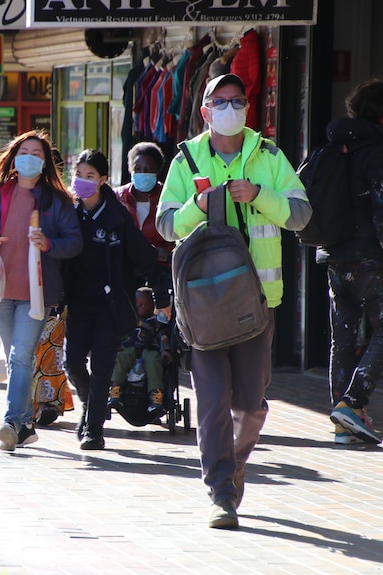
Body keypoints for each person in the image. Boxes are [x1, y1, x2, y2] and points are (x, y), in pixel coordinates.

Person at [155, 73, 310, 529]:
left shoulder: (269, 156)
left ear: (248, 107)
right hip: (202, 304)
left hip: (258, 301)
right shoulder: (186, 159)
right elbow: (166, 226)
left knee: (250, 402)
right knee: (211, 400)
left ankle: (236, 461)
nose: (229, 107)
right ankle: (221, 491)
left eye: (237, 100)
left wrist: (261, 196)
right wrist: (197, 208)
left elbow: (301, 214)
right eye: (219, 101)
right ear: (204, 111)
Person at [0, 130, 83, 452]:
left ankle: (12, 421)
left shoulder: (57, 201)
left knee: (19, 358)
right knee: (18, 361)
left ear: (45, 164)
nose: (29, 157)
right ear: (14, 157)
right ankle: (26, 427)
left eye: (36, 153)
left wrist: (49, 244)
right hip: (1, 291)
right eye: (24, 151)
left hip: (37, 293)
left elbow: (74, 242)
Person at [63, 149, 159, 451]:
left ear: (103, 180)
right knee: (73, 362)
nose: (82, 182)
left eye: (90, 176)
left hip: (109, 305)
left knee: (103, 366)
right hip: (77, 303)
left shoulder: (117, 217)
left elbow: (144, 257)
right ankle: (93, 400)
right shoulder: (69, 213)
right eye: (78, 175)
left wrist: (163, 292)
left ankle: (93, 429)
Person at [324, 79, 383, 446]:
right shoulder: (376, 151)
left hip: (334, 254)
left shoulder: (336, 147)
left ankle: (341, 419)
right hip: (368, 259)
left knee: (342, 338)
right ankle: (352, 402)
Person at [115, 142, 174, 315]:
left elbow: (178, 230)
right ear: (130, 170)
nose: (143, 173)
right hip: (126, 268)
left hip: (160, 269)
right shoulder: (118, 197)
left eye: (149, 169)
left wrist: (166, 251)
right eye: (138, 168)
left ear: (157, 171)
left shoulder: (168, 197)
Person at [109, 287, 171, 418]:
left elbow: (163, 337)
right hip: (130, 348)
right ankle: (115, 389)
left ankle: (156, 395)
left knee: (154, 360)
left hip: (150, 349)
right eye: (136, 304)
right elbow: (121, 335)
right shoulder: (130, 320)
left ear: (152, 306)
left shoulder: (156, 321)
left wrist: (165, 350)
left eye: (142, 305)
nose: (138, 308)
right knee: (121, 358)